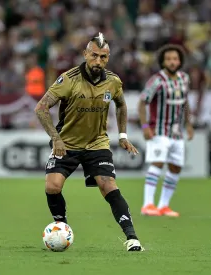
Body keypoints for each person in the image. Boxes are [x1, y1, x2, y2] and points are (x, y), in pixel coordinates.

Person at [34, 33, 144, 252]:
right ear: (85, 54)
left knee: (109, 185)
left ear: (108, 58)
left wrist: (122, 135)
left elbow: (121, 105)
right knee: (52, 187)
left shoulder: (113, 81)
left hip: (97, 143)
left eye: (103, 57)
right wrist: (55, 139)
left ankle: (132, 238)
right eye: (94, 55)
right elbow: (41, 107)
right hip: (66, 143)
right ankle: (62, 227)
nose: (98, 61)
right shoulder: (68, 79)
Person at [138, 44, 193, 217]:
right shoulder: (157, 80)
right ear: (162, 61)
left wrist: (189, 125)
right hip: (158, 130)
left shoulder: (184, 78)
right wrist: (145, 125)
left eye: (175, 58)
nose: (172, 62)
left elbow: (185, 103)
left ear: (180, 61)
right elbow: (142, 102)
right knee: (157, 164)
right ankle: (147, 205)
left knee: (176, 167)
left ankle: (163, 205)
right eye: (168, 59)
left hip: (176, 132)